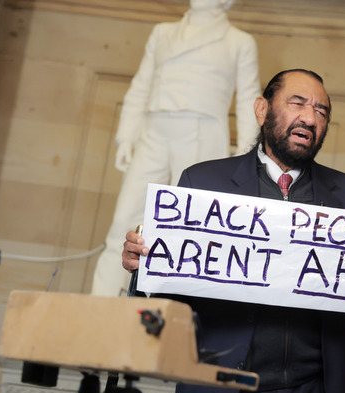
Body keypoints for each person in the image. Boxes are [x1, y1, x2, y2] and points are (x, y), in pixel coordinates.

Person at [122, 69, 345, 393]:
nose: (310, 117)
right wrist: (141, 264)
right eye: (298, 103)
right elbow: (171, 292)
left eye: (322, 112)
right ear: (262, 110)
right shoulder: (203, 184)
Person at [92, 0, 261, 296]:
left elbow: (250, 100)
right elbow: (141, 85)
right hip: (154, 130)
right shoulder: (163, 32)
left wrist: (247, 156)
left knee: (189, 228)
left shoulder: (238, 42)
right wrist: (126, 135)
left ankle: (172, 306)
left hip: (202, 134)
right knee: (124, 218)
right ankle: (102, 303)